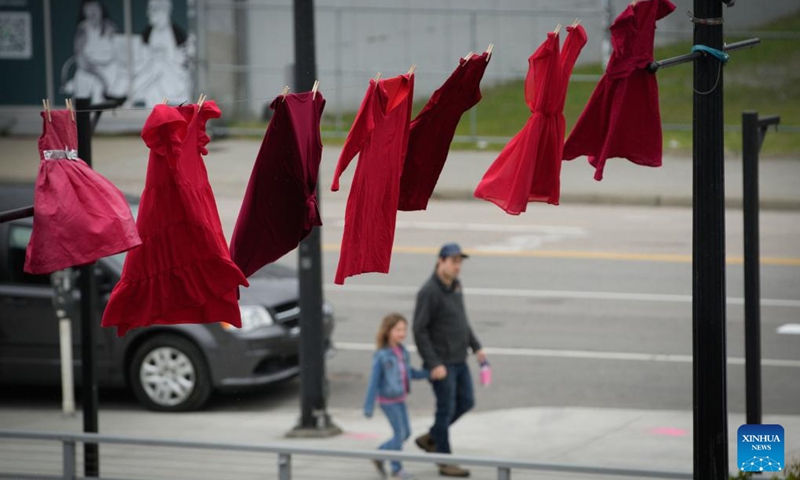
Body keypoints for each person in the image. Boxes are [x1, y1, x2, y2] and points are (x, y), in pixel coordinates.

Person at [412, 243, 486, 478]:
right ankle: (444, 461)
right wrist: (434, 364)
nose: (457, 267)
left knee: (466, 402)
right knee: (445, 410)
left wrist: (476, 347)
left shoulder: (455, 286)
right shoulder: (429, 292)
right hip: (442, 364)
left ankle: (433, 436)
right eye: (453, 262)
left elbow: (462, 320)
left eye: (460, 262)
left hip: (459, 359)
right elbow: (419, 330)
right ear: (440, 261)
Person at [364, 313, 430, 480]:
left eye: (404, 329)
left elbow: (410, 372)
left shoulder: (403, 352)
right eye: (398, 329)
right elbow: (374, 381)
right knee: (399, 434)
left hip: (400, 399)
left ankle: (379, 454)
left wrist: (428, 373)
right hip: (388, 401)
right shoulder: (382, 355)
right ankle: (397, 468)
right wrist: (368, 406)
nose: (402, 333)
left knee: (406, 433)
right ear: (388, 331)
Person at [64, 0, 128, 103]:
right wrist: (99, 76)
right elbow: (81, 60)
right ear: (84, 11)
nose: (92, 12)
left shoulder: (110, 26)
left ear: (101, 9)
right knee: (84, 83)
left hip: (110, 72)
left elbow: (120, 50)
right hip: (90, 71)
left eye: (95, 7)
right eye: (88, 8)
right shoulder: (82, 30)